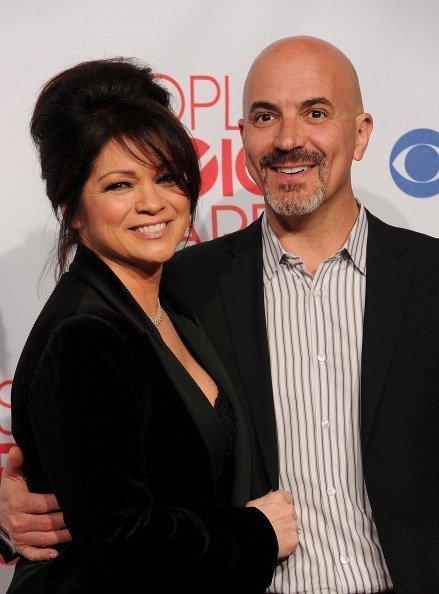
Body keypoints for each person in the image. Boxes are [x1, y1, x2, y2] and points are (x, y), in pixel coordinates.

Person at [2, 35, 439, 593]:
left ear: (360, 134)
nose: (288, 139)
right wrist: (19, 503)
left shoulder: (430, 278)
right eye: (264, 116)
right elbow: (102, 469)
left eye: (316, 112)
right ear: (242, 138)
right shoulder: (184, 283)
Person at [0, 58, 299, 593]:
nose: (152, 203)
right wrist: (256, 532)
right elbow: (123, 538)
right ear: (71, 207)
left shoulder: (170, 305)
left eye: (166, 177)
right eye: (119, 185)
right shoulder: (86, 336)